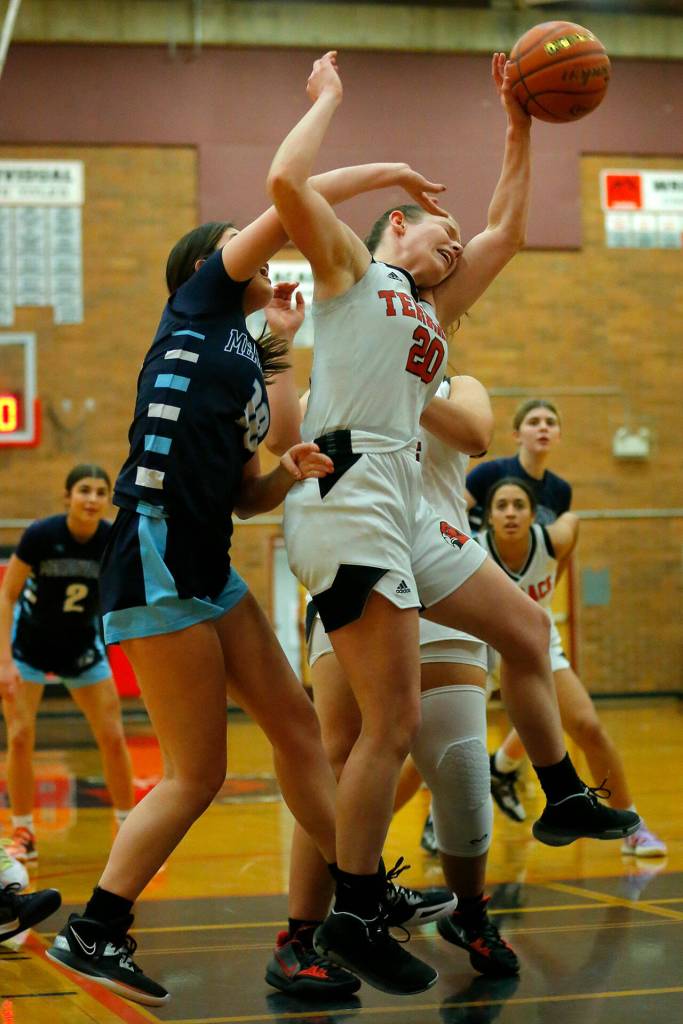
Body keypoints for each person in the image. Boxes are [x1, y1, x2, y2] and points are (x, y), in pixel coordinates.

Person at [267, 51, 639, 995]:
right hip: (349, 493)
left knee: (526, 625)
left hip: (401, 502)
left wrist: (517, 117)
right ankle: (349, 912)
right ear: (398, 225)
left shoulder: (431, 313)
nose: (454, 244)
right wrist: (347, 118)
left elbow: (508, 229)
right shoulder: (354, 269)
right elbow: (285, 181)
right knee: (384, 726)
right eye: (441, 232)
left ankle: (557, 795)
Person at [46, 157, 454, 1007]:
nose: (259, 255)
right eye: (241, 250)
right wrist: (385, 174)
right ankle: (96, 929)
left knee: (301, 735)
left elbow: (250, 482)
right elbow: (288, 194)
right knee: (198, 773)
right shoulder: (193, 307)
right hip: (154, 551)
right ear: (205, 268)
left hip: (208, 558)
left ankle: (361, 892)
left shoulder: (243, 355)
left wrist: (291, 467)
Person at [265, 375, 519, 1002]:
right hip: (357, 569)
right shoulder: (333, 384)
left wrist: (406, 386)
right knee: (336, 757)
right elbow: (283, 445)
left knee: (461, 767)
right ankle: (302, 935)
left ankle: (470, 911)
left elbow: (477, 434)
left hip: (447, 570)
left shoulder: (460, 384)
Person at [481, 477, 666, 857]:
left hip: (538, 648)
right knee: (442, 745)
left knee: (588, 727)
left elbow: (574, 522)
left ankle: (632, 826)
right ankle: (399, 846)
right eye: (502, 506)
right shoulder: (473, 548)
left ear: (534, 515)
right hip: (483, 650)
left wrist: (555, 576)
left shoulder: (551, 541)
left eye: (520, 505)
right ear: (488, 517)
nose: (511, 512)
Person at [0, 465, 135, 863]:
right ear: (67, 497)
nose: (92, 498)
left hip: (82, 648)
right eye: (83, 490)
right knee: (21, 736)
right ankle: (23, 829)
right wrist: (4, 661)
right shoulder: (41, 536)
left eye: (99, 491)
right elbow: (7, 597)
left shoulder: (111, 538)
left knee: (112, 736)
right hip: (30, 647)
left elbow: (123, 596)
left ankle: (130, 828)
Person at [466, 398, 570, 530]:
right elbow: (452, 511)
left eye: (550, 423)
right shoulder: (488, 472)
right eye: (533, 422)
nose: (543, 427)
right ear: (517, 435)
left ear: (559, 436)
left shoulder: (561, 490)